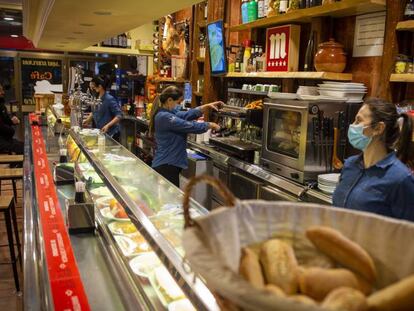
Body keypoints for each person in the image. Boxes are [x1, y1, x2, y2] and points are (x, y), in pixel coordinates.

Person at [333, 98, 414, 221]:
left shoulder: (401, 179)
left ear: (378, 129)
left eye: (358, 120)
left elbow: (408, 232)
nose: (352, 126)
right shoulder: (350, 165)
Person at [149, 86, 221, 187]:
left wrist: (206, 106)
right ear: (169, 100)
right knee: (171, 201)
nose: (178, 105)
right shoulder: (164, 117)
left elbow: (186, 115)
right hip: (166, 166)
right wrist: (209, 125)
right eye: (178, 102)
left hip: (168, 165)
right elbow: (187, 125)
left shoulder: (168, 113)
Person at [83, 76, 122, 141]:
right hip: (102, 132)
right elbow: (94, 111)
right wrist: (87, 120)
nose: (92, 90)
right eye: (91, 88)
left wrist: (108, 125)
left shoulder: (109, 99)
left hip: (112, 134)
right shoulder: (95, 98)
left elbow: (119, 115)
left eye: (93, 88)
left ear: (100, 87)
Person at [0, 83, 23, 155]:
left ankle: (15, 164)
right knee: (23, 149)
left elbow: (5, 119)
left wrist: (12, 121)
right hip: (2, 141)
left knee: (24, 146)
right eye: (0, 91)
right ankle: (16, 164)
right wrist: (12, 130)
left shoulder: (1, 105)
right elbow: (1, 127)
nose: (3, 92)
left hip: (5, 139)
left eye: (2, 90)